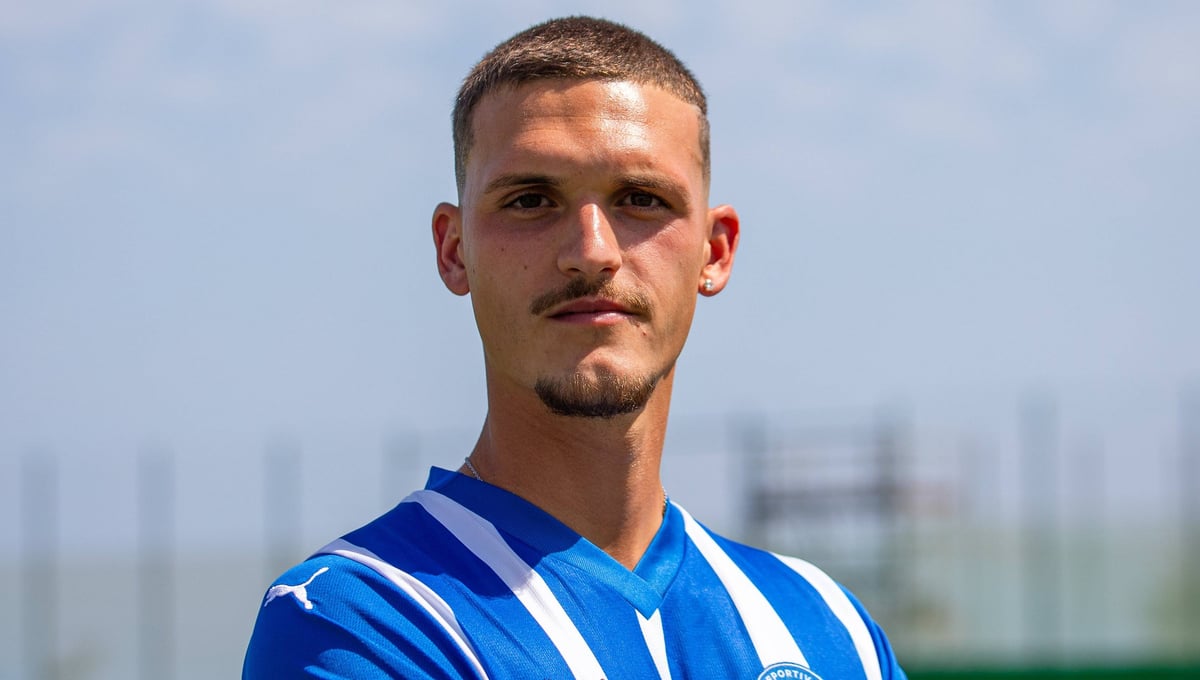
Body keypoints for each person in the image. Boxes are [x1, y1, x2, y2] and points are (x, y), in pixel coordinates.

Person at [244, 16, 906, 680]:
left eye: (641, 198)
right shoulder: (359, 620)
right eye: (531, 200)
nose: (592, 252)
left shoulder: (831, 631)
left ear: (715, 250)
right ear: (454, 250)